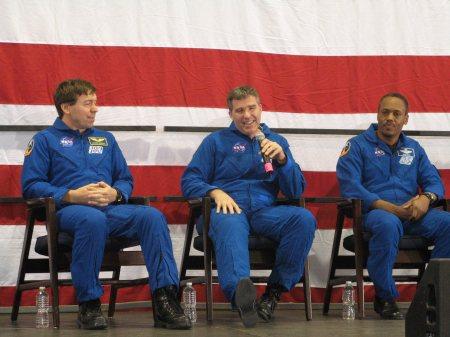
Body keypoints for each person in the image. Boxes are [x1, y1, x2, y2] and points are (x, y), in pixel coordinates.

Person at [21, 79, 191, 330]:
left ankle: (165, 299)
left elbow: (124, 178)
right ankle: (89, 304)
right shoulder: (44, 140)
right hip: (68, 212)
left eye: (95, 103)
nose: (95, 109)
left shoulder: (105, 139)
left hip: (110, 210)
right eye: (88, 103)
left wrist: (116, 193)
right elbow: (31, 186)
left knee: (152, 217)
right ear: (67, 107)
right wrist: (71, 195)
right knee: (93, 219)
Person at [181, 85, 316, 327]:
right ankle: (241, 296)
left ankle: (273, 293)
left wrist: (283, 160)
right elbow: (190, 180)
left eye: (251, 108)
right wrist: (214, 191)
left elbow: (296, 190)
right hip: (227, 208)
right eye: (239, 110)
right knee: (230, 222)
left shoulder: (277, 142)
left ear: (261, 108)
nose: (247, 115)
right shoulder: (215, 141)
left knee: (303, 219)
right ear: (230, 114)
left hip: (265, 212)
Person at [336, 92, 450, 320]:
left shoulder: (414, 148)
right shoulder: (357, 145)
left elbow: (434, 181)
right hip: (376, 214)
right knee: (388, 224)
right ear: (377, 114)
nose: (390, 117)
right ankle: (385, 296)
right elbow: (350, 186)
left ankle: (430, 294)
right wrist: (390, 208)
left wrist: (425, 198)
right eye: (385, 112)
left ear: (405, 119)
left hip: (411, 216)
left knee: (448, 223)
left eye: (396, 114)